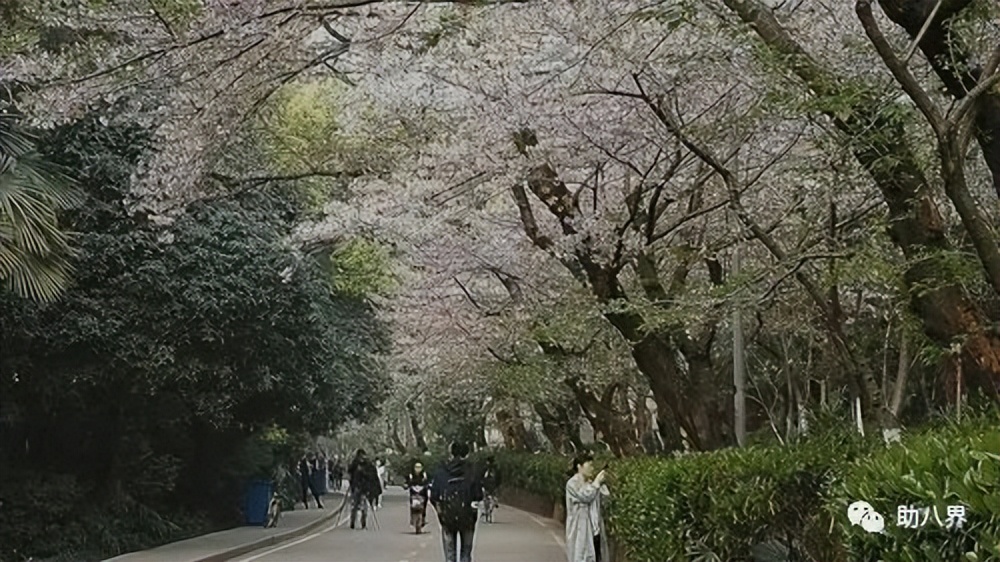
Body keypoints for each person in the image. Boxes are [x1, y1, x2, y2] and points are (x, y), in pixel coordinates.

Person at [430, 441, 483, 562]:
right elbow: (479, 495)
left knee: (450, 555)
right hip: (468, 518)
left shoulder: (442, 472)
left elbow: (434, 496)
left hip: (447, 518)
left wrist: (441, 512)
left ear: (451, 453)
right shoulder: (472, 472)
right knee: (466, 554)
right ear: (467, 454)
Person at [564, 453, 610, 562]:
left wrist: (601, 484)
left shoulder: (591, 483)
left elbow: (606, 500)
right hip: (580, 532)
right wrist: (596, 482)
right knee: (581, 557)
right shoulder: (572, 484)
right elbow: (585, 496)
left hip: (595, 532)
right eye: (589, 465)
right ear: (579, 466)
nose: (592, 469)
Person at [347, 448, 381, 529]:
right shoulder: (355, 463)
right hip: (356, 486)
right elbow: (350, 471)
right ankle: (352, 521)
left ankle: (363, 522)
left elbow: (372, 476)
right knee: (354, 505)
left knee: (364, 506)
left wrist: (363, 472)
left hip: (365, 488)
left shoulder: (368, 465)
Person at [405, 461, 430, 534]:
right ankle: (412, 519)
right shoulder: (411, 475)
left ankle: (423, 518)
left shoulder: (425, 475)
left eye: (419, 467)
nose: (418, 469)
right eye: (416, 467)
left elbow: (429, 482)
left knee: (424, 507)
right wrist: (406, 485)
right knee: (412, 506)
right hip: (413, 494)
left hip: (422, 494)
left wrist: (429, 485)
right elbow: (407, 483)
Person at [480, 456, 501, 522]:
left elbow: (481, 477)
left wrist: (481, 484)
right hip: (494, 487)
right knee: (494, 499)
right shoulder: (496, 469)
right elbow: (499, 479)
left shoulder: (484, 468)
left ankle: (486, 512)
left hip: (486, 487)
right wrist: (497, 485)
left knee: (485, 499)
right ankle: (492, 508)